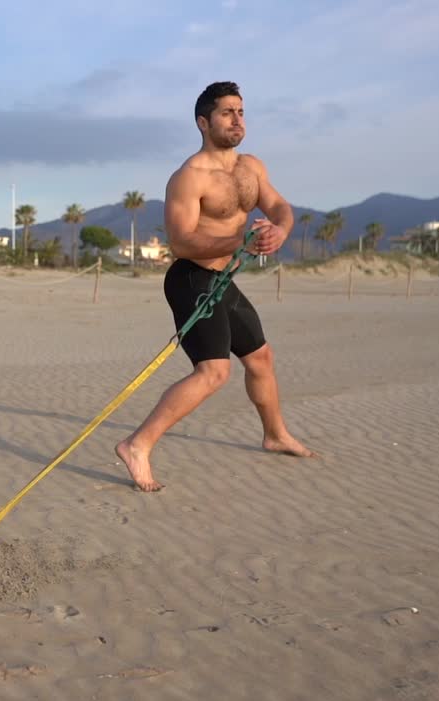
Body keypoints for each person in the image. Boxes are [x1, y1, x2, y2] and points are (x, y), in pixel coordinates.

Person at [116, 81, 314, 492]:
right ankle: (137, 445)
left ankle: (275, 435)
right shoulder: (189, 177)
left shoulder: (251, 168)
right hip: (192, 278)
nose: (237, 119)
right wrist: (240, 241)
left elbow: (279, 206)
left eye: (241, 111)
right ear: (204, 122)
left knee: (260, 357)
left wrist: (279, 229)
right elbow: (181, 240)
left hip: (223, 279)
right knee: (213, 372)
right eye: (227, 112)